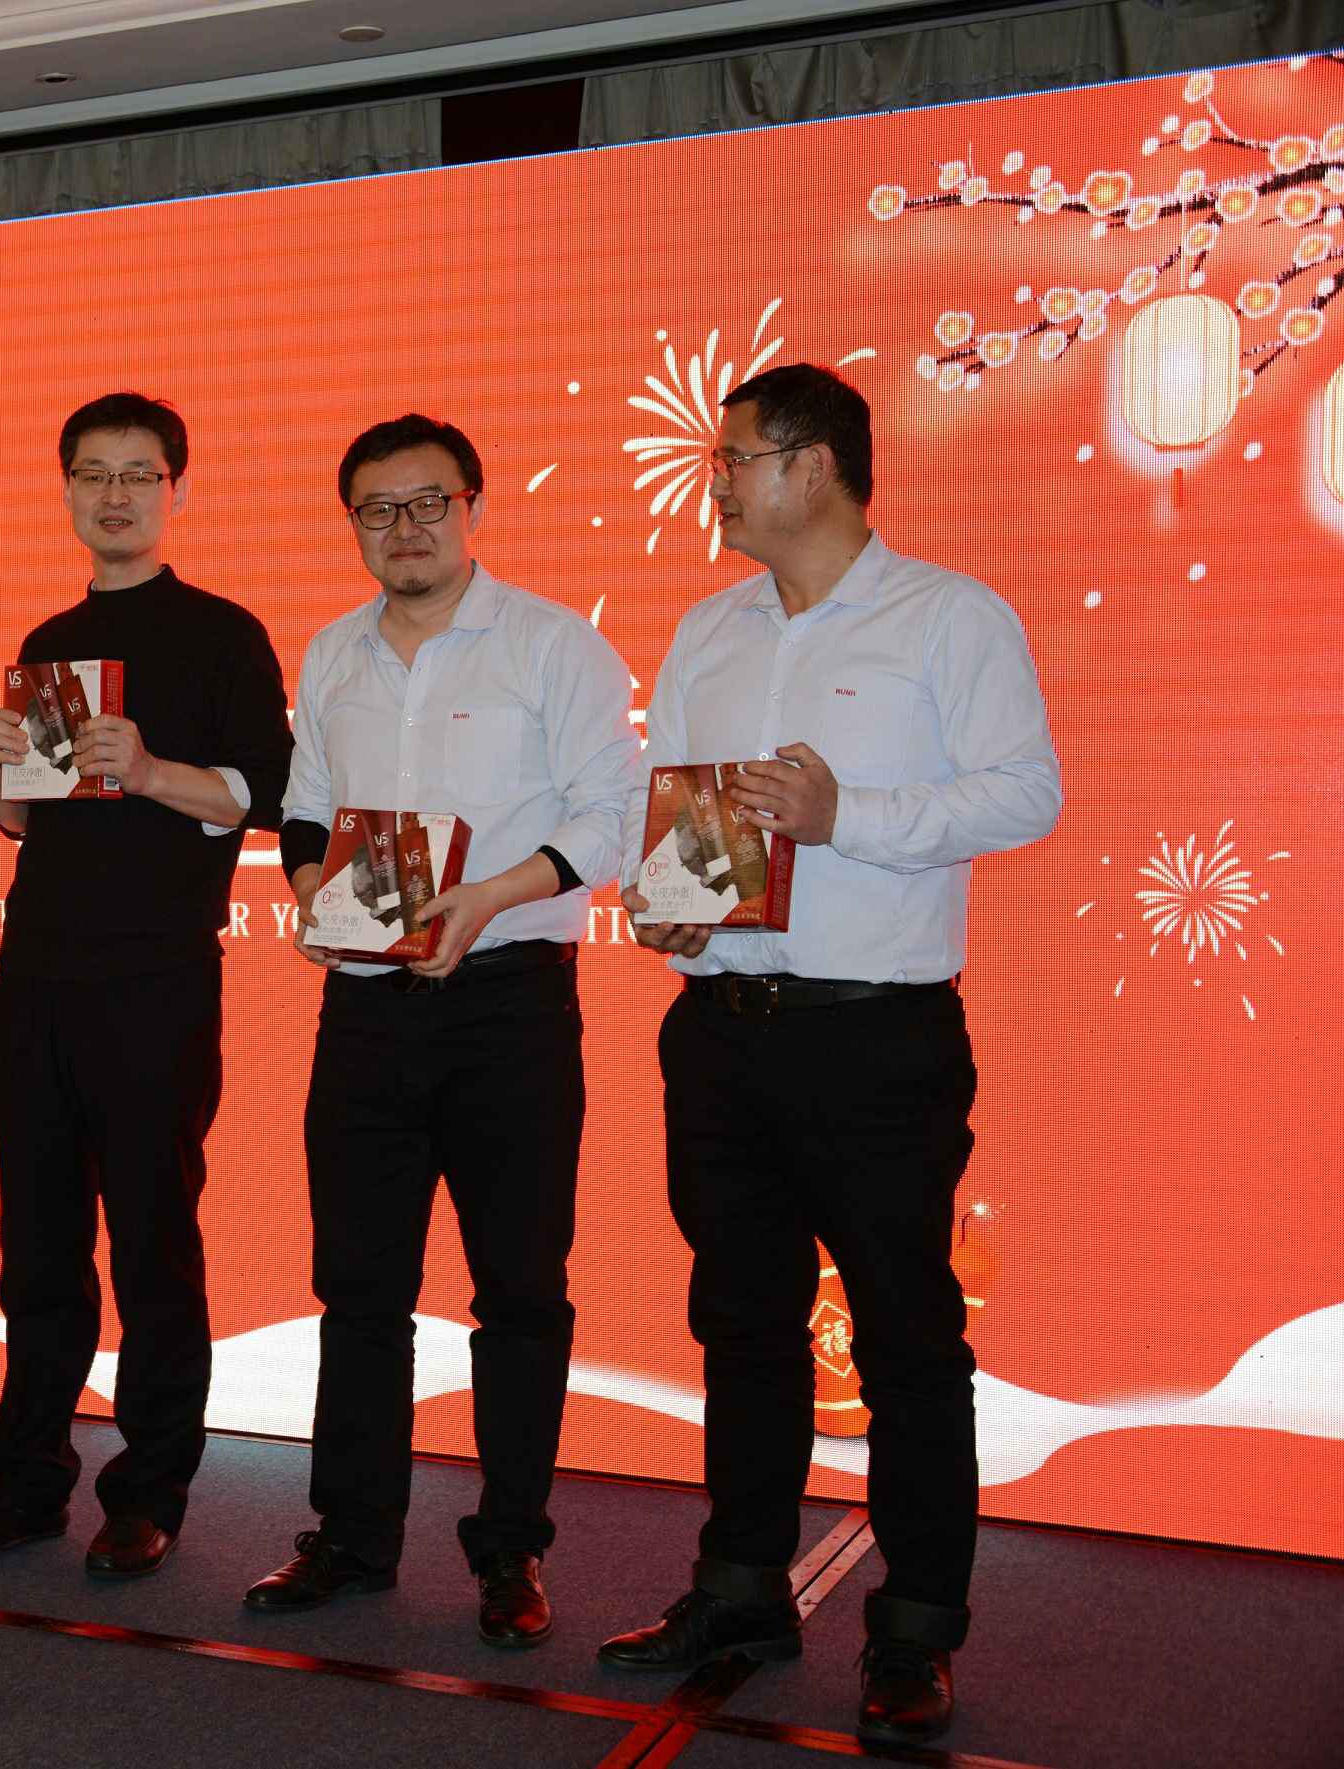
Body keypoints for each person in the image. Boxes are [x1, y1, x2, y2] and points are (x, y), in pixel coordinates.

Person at [599, 364, 1060, 1745]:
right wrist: (665, 902)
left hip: (876, 1039)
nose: (716, 483)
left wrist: (844, 813)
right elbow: (678, 808)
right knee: (740, 1325)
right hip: (719, 1032)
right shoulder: (708, 626)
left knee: (906, 1337)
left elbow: (1023, 793)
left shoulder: (949, 616)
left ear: (811, 466)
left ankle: (914, 1628)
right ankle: (739, 1589)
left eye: (733, 458)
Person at [241, 415, 636, 1646]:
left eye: (427, 503)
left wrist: (490, 897)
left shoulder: (552, 644)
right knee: (358, 1287)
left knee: (519, 1289)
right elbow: (307, 808)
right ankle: (352, 1535)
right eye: (377, 508)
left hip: (510, 1002)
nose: (402, 528)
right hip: (365, 1008)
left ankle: (511, 1548)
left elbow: (613, 815)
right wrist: (310, 891)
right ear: (352, 522)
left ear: (472, 505)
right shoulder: (333, 652)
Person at [0, 393, 292, 1578]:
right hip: (35, 971)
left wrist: (147, 769)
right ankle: (26, 1479)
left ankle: (149, 1488)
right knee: (34, 1245)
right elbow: (27, 824)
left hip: (157, 978)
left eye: (138, 473)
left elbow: (263, 793)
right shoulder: (49, 640)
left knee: (152, 1243)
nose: (115, 495)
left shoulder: (224, 633)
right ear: (66, 491)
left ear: (175, 489)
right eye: (92, 473)